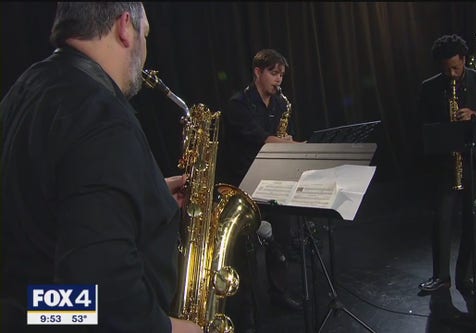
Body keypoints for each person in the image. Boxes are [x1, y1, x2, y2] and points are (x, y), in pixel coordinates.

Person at [0, 3, 201, 333]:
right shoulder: (101, 117)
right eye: (145, 33)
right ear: (125, 27)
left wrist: (146, 192)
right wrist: (168, 328)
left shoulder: (26, 87)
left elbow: (49, 201)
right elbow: (100, 293)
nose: (145, 47)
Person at [416, 34, 476, 295]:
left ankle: (465, 276)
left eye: (456, 67)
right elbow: (422, 126)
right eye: (446, 69)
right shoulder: (430, 87)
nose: (452, 73)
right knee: (441, 221)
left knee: (473, 223)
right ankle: (441, 276)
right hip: (446, 165)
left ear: (464, 60)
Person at [216, 48, 302, 331]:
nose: (279, 80)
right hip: (242, 184)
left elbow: (276, 139)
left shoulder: (280, 103)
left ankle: (279, 294)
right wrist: (287, 143)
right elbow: (258, 138)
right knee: (245, 253)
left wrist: (285, 142)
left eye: (281, 75)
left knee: (281, 239)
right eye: (274, 73)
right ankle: (246, 311)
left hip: (271, 179)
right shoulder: (238, 104)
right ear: (258, 72)